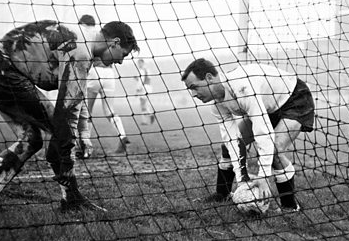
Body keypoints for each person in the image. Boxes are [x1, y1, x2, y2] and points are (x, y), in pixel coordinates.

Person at [0, 19, 139, 213]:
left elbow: (76, 95)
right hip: (3, 71)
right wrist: (66, 146)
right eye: (123, 54)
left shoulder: (83, 42)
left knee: (31, 139)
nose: (120, 61)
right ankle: (71, 199)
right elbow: (67, 110)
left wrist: (83, 133)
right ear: (114, 42)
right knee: (60, 132)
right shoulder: (82, 50)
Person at [181, 58, 315, 212]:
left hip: (294, 99)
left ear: (209, 78)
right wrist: (242, 179)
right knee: (227, 147)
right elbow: (232, 140)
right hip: (268, 106)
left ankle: (290, 207)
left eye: (194, 87)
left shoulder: (243, 87)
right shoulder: (218, 106)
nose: (193, 94)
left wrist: (263, 176)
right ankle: (222, 194)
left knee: (275, 150)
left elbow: (262, 132)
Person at [74, 15, 130, 157]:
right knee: (110, 111)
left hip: (94, 73)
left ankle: (85, 146)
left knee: (87, 111)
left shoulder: (88, 38)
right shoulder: (104, 36)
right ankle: (122, 135)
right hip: (109, 75)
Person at [134, 58, 155, 125]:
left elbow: (141, 80)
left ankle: (147, 118)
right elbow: (148, 78)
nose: (139, 65)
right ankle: (148, 117)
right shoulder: (147, 70)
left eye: (139, 63)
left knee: (143, 104)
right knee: (145, 104)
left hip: (144, 88)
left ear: (142, 63)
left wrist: (138, 89)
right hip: (149, 88)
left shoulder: (141, 70)